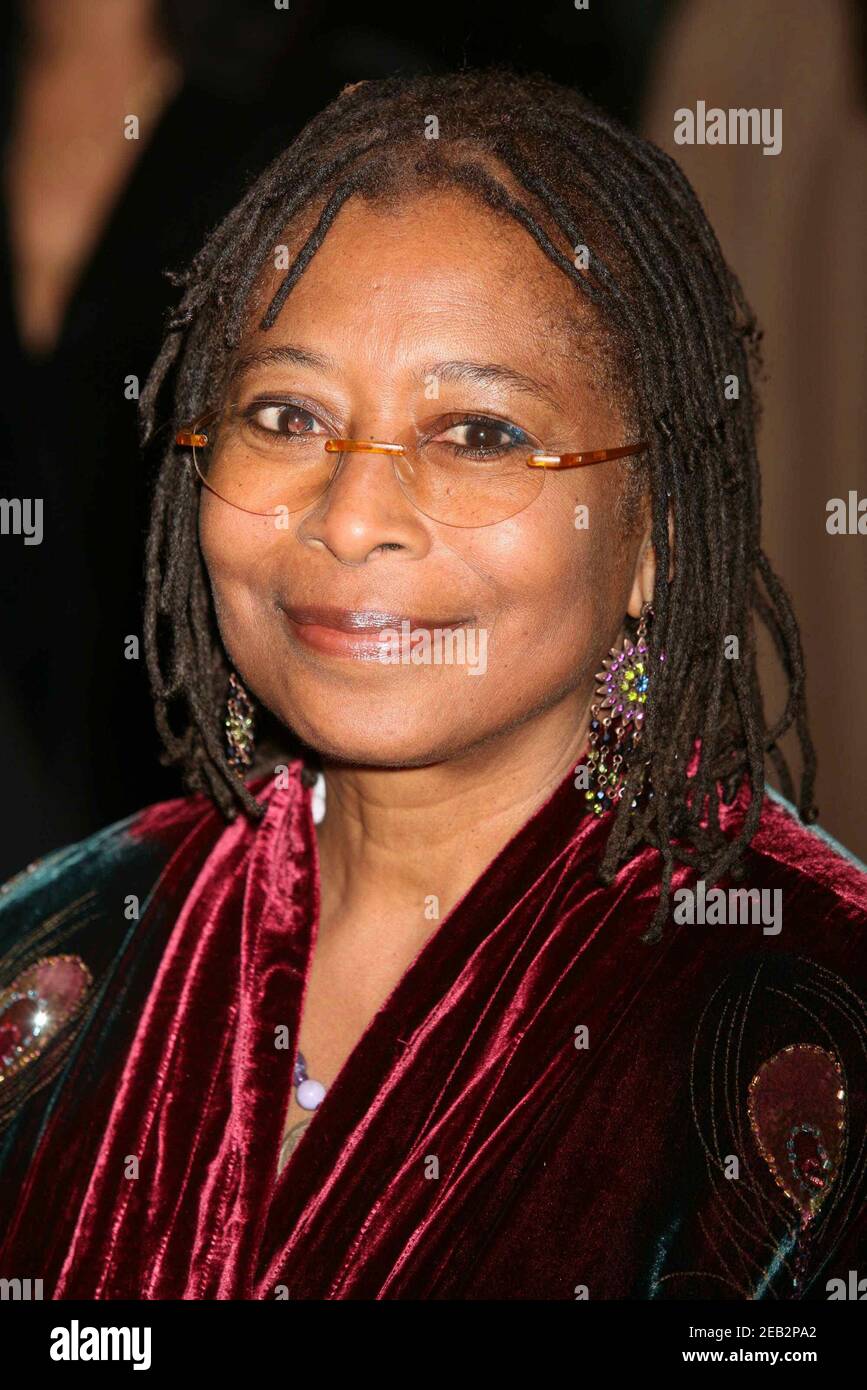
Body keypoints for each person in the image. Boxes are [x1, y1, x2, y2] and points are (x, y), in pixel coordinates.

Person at [0, 69, 864, 1300]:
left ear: (656, 529)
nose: (351, 517)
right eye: (287, 416)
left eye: (478, 434)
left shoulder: (806, 1019)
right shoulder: (62, 942)